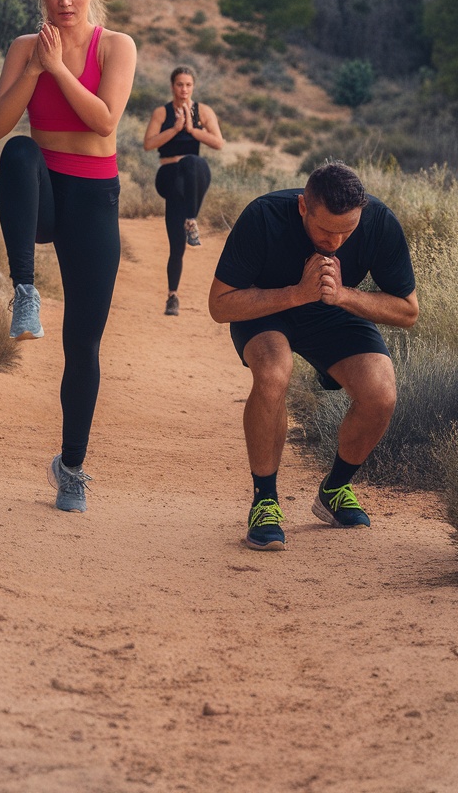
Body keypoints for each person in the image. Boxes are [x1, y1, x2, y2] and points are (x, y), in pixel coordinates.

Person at [0, 0, 136, 514]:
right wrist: (34, 67)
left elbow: (103, 122)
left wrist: (58, 69)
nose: (64, 2)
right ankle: (24, 290)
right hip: (42, 193)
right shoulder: (25, 45)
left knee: (84, 343)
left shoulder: (116, 46)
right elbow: (0, 123)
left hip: (94, 198)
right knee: (21, 152)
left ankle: (71, 465)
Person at [208, 161, 418, 551]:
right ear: (304, 206)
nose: (335, 241)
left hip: (332, 307)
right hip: (265, 309)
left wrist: (343, 296)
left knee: (380, 392)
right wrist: (295, 294)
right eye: (325, 229)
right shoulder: (263, 216)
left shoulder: (379, 223)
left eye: (347, 231)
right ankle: (265, 501)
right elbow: (220, 306)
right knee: (273, 373)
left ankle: (335, 491)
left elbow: (407, 311)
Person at [143, 66, 224, 315]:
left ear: (193, 87)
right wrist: (176, 129)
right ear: (172, 86)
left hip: (190, 184)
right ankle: (192, 219)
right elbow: (148, 144)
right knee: (189, 162)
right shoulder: (162, 112)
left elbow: (218, 143)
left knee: (177, 244)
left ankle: (172, 298)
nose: (184, 89)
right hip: (168, 177)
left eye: (188, 85)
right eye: (180, 84)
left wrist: (192, 130)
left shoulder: (203, 111)